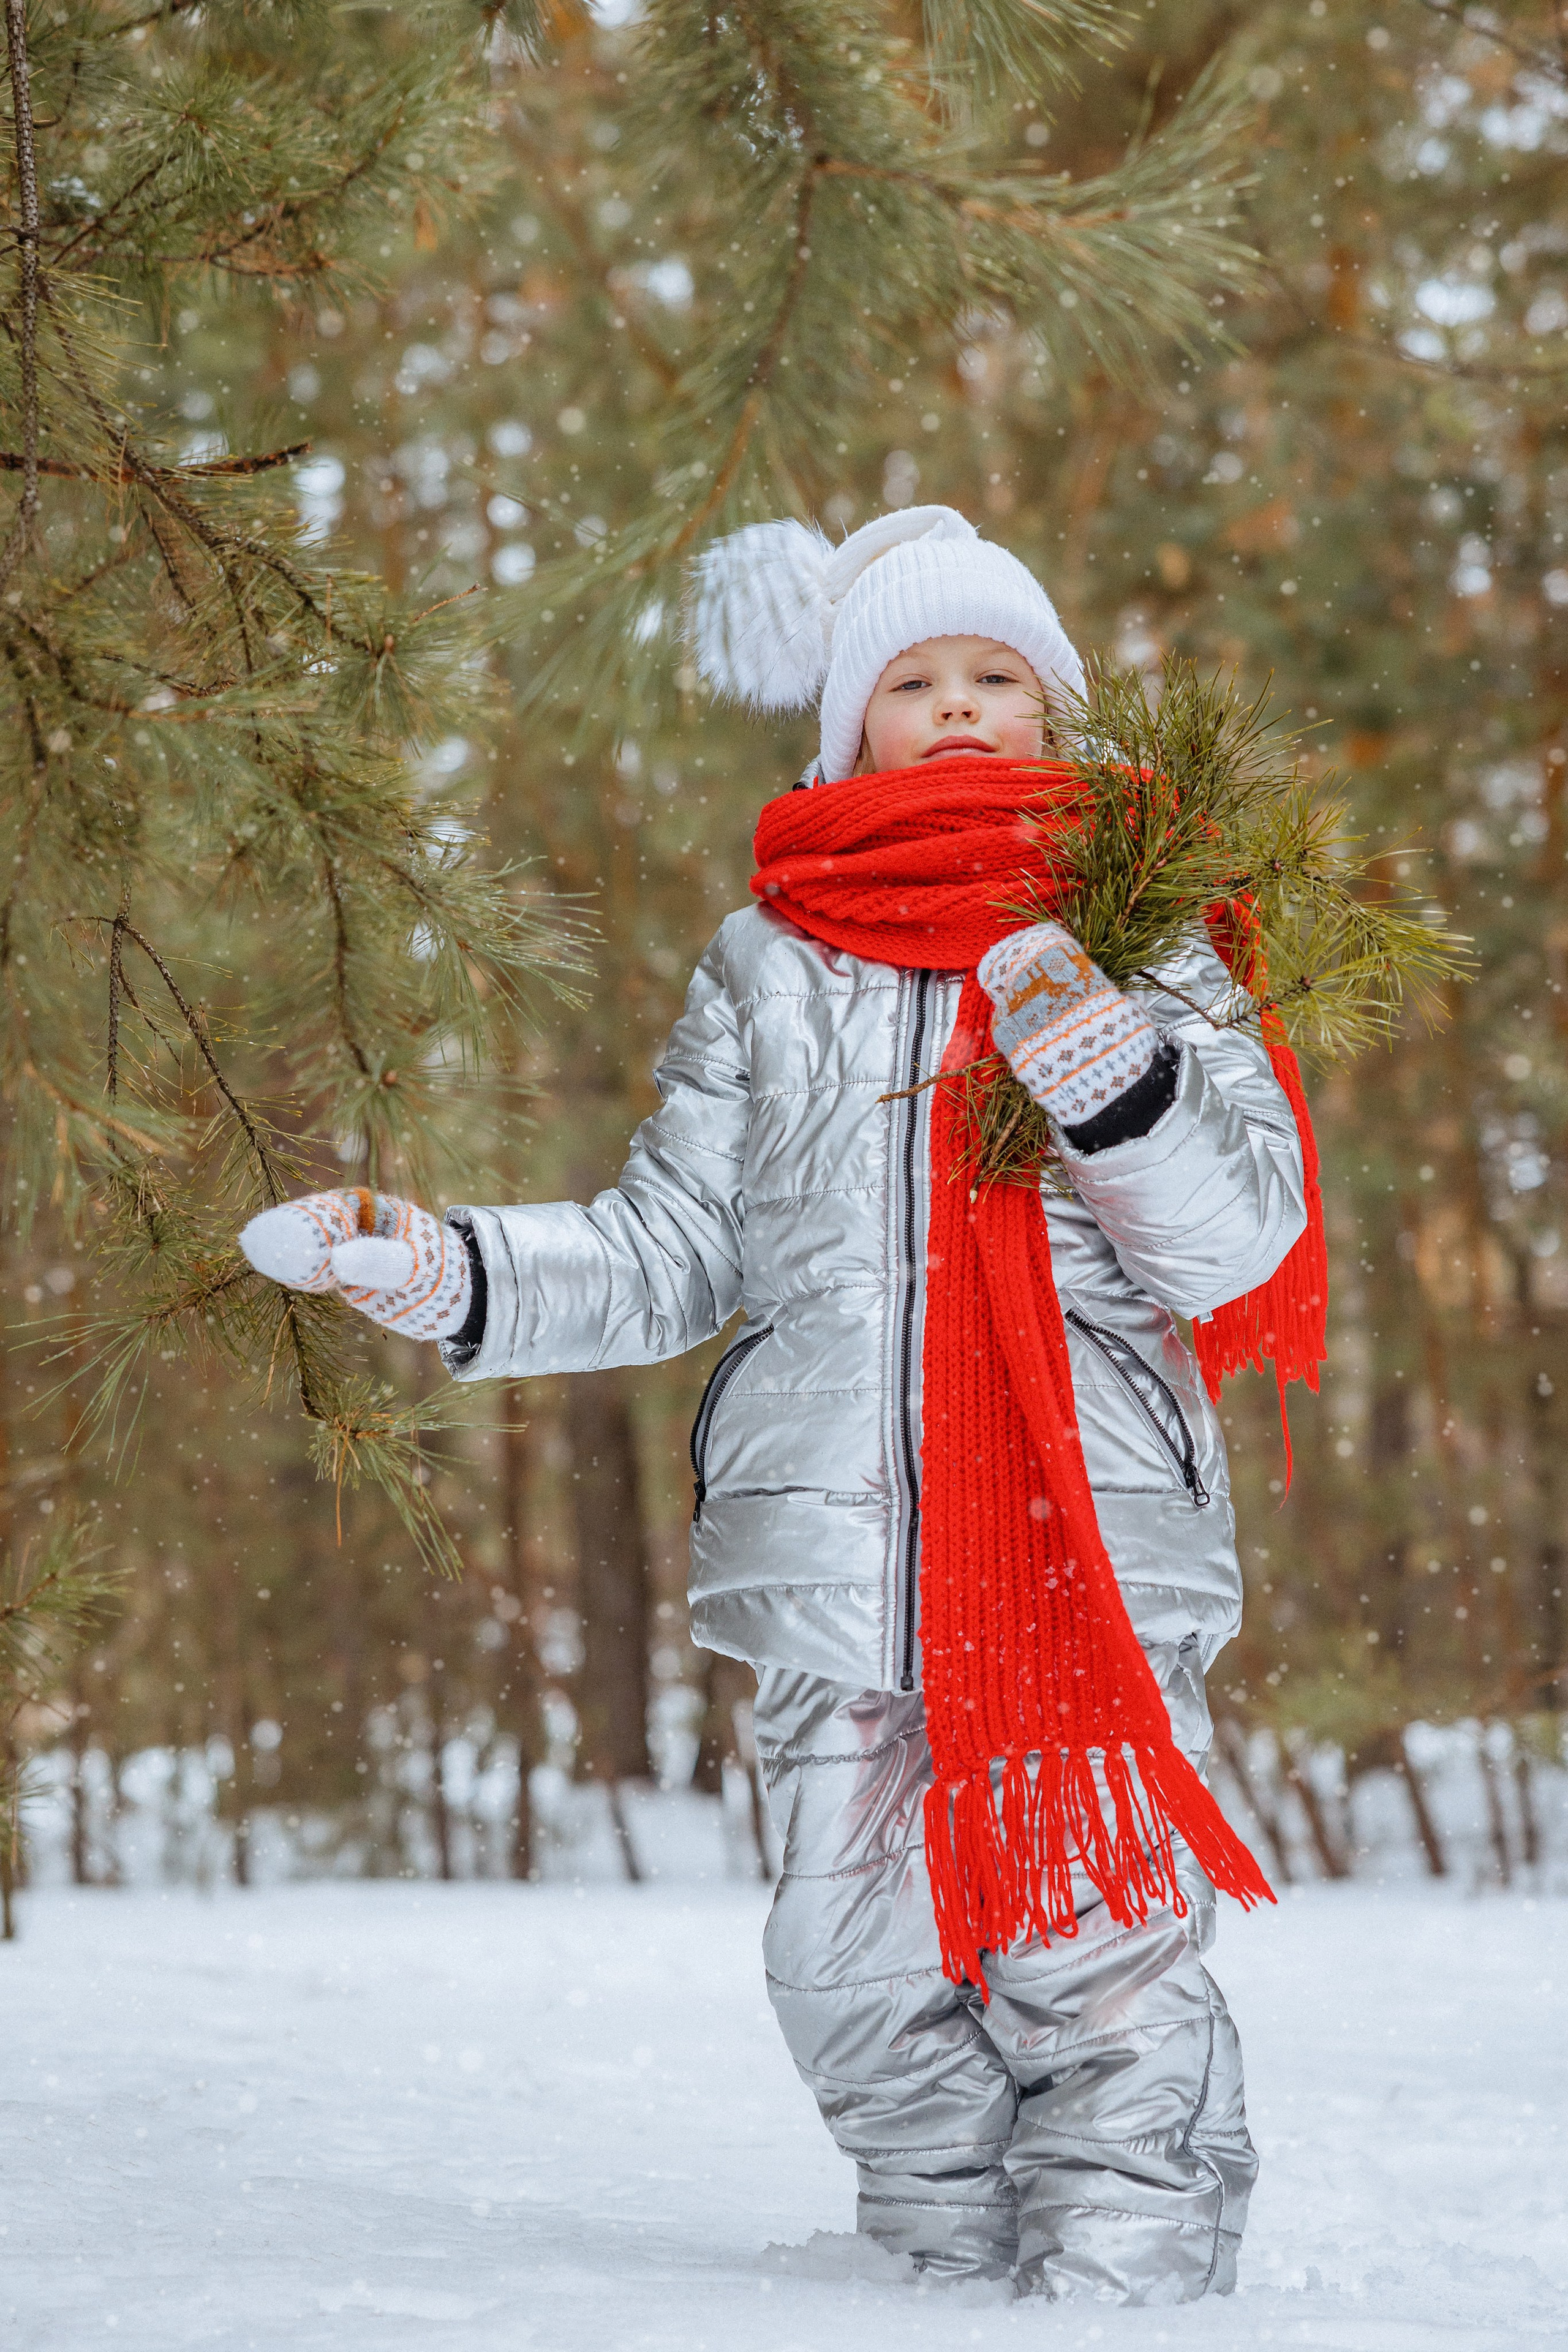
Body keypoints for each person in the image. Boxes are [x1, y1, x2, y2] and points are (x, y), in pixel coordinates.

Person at [239, 505, 1313, 2303]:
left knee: (1096, 1962)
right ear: (847, 725)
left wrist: (1119, 1092)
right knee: (850, 1975)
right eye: (913, 681)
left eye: (998, 676)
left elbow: (1238, 1242)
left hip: (1079, 1550)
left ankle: (1126, 2304)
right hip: (830, 1561)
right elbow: (670, 1247)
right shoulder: (774, 961)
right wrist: (452, 1270)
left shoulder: (1144, 941)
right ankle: (938, 2296)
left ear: (1058, 710)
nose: (958, 708)